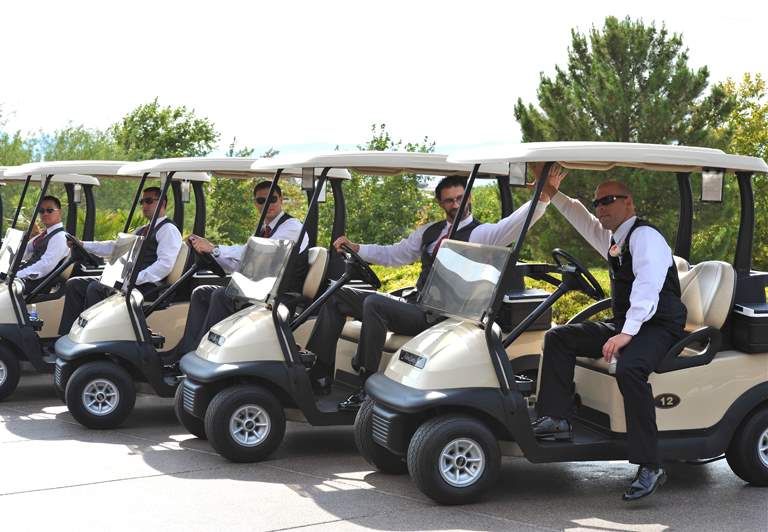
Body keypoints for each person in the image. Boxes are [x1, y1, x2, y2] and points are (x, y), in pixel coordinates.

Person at [306, 167, 562, 409]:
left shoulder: (481, 234)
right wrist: (357, 248)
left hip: (441, 316)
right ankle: (320, 372)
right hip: (417, 305)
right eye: (449, 200)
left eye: (460, 198)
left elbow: (516, 224)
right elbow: (395, 254)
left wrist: (543, 198)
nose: (456, 205)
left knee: (374, 304)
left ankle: (367, 384)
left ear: (469, 197)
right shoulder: (430, 232)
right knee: (337, 294)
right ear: (441, 203)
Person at [532, 173, 687, 501]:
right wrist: (553, 193)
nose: (600, 208)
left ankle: (650, 464)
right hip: (629, 322)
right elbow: (581, 218)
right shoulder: (616, 238)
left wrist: (626, 334)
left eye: (608, 200)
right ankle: (557, 418)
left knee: (630, 369)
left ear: (629, 202)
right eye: (597, 202)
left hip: (659, 325)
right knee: (559, 337)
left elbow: (647, 287)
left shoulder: (645, 237)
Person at [169, 181, 309, 359]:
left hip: (280, 297)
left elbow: (255, 253)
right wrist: (212, 254)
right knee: (202, 293)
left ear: (281, 199)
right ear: (255, 204)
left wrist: (214, 248)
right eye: (261, 200)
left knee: (221, 295)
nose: (268, 204)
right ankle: (186, 350)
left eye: (272, 199)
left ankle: (204, 354)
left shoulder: (292, 227)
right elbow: (241, 265)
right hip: (259, 293)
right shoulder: (263, 230)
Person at [57, 186, 182, 335]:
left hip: (146, 286)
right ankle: (68, 335)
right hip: (129, 281)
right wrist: (84, 245)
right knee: (75, 284)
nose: (144, 205)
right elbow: (115, 247)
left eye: (148, 201)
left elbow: (164, 265)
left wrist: (133, 279)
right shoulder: (142, 229)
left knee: (96, 288)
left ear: (163, 204)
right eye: (142, 201)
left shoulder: (168, 230)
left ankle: (93, 336)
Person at [0, 195, 68, 298]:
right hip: (25, 277)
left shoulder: (60, 237)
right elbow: (22, 252)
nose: (45, 214)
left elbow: (45, 265)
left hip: (36, 283)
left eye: (50, 210)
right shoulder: (44, 235)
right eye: (42, 211)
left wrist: (16, 275)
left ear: (59, 212)